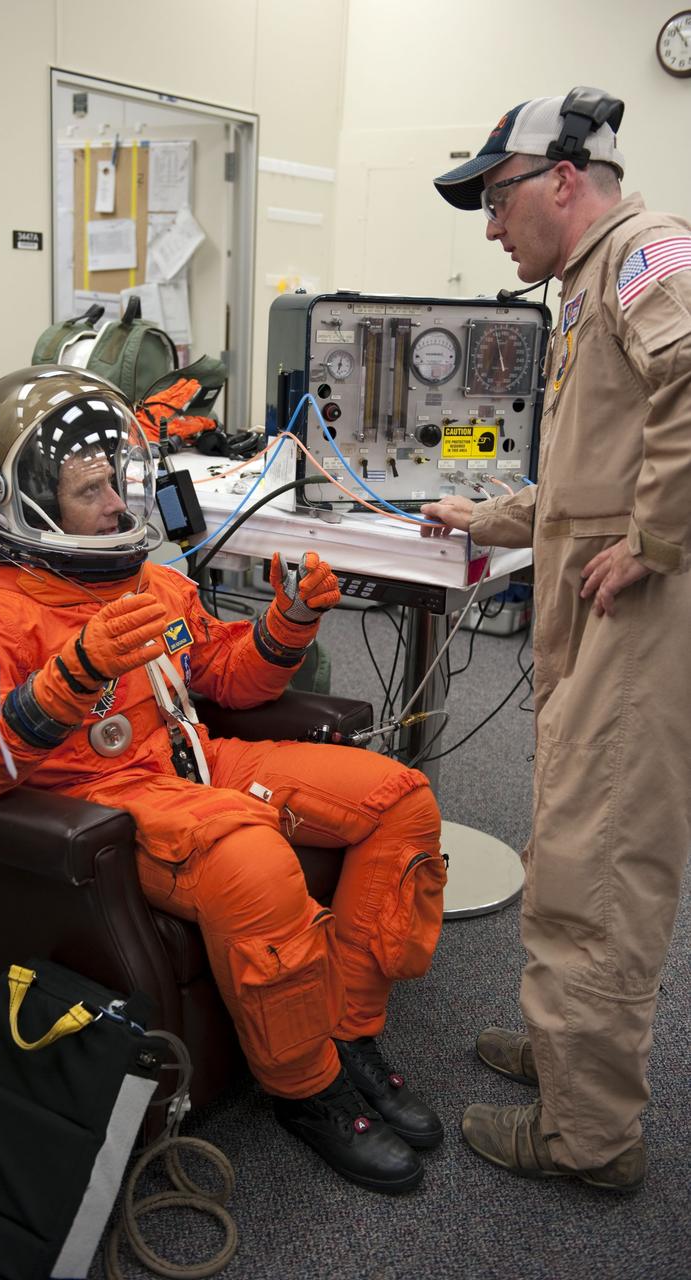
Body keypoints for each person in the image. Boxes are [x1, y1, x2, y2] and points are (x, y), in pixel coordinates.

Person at [0, 365, 448, 1195]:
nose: (116, 506)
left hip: (194, 757)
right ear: (27, 500)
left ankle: (347, 1033)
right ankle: (307, 1091)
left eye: (119, 482)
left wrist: (287, 622)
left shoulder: (154, 581)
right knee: (254, 863)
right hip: (105, 802)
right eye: (88, 490)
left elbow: (233, 681)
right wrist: (71, 677)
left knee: (400, 798)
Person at [422, 88, 691, 1193]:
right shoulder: (592, 285)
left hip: (634, 617)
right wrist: (487, 517)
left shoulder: (646, 255)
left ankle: (589, 1135)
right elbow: (597, 475)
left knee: (597, 863)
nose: (489, 227)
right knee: (572, 834)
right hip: (595, 608)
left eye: (495, 200)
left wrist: (654, 541)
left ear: (560, 181)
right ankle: (567, 1052)